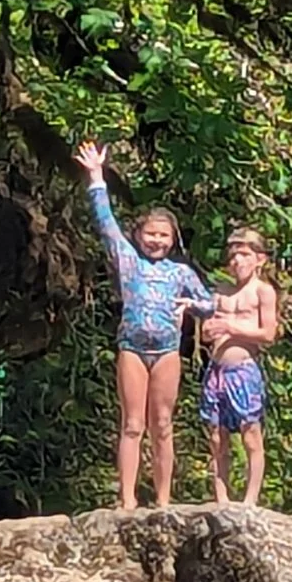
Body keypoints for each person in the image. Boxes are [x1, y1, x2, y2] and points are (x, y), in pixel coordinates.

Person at [77, 142, 213, 512]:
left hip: (167, 350)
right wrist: (96, 177)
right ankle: (127, 499)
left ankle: (165, 499)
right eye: (150, 234)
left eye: (163, 236)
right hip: (133, 349)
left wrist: (192, 304)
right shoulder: (129, 262)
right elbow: (106, 224)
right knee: (133, 424)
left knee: (163, 424)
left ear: (173, 240)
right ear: (139, 237)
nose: (156, 240)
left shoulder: (180, 272)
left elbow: (210, 303)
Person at [199, 226, 279, 506]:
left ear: (259, 259)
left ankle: (250, 499)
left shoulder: (263, 292)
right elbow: (206, 332)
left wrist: (232, 327)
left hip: (243, 370)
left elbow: (268, 334)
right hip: (217, 369)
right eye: (233, 256)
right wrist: (208, 330)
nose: (237, 261)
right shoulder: (221, 291)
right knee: (217, 437)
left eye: (244, 254)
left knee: (251, 434)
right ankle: (221, 497)